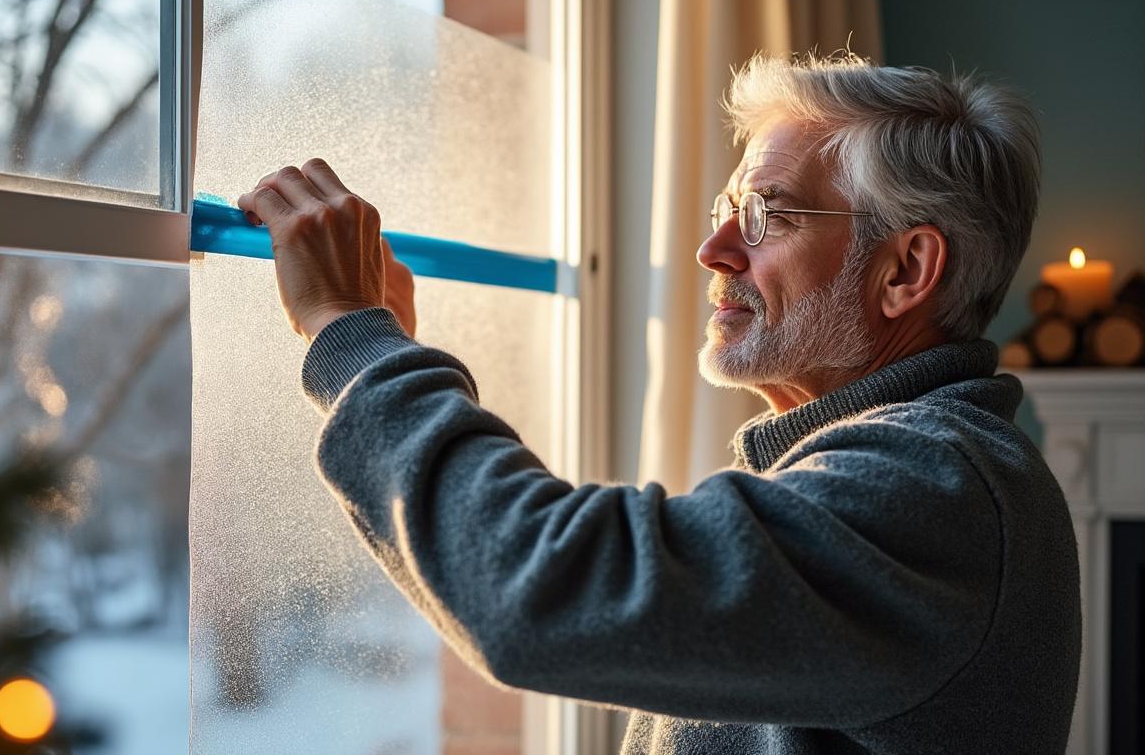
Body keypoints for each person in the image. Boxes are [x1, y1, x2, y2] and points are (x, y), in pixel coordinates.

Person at [237, 53, 1080, 754]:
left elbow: (542, 591)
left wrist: (353, 337)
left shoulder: (937, 488)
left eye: (765, 215)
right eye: (725, 211)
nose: (713, 250)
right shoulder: (911, 474)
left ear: (905, 271)